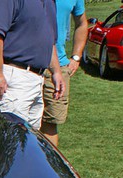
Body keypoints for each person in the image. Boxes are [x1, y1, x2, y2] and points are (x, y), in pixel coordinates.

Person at [0, 0, 65, 131]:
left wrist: (56, 72)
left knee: (30, 142)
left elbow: (49, 41)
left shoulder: (50, 2)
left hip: (36, 79)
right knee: (10, 139)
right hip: (13, 76)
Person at [40, 0, 88, 146]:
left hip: (58, 69)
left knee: (50, 124)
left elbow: (82, 23)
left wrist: (76, 57)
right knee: (20, 122)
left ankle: (47, 166)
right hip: (25, 66)